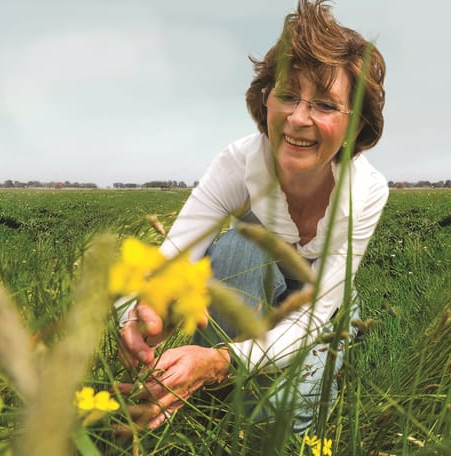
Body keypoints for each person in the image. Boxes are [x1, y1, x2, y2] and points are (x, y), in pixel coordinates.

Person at [117, 0, 387, 434]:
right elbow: (171, 257)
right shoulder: (238, 163)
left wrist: (222, 361)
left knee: (273, 421)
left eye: (323, 105)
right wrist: (138, 313)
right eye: (287, 96)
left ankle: (338, 337)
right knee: (240, 243)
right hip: (247, 284)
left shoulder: (366, 191)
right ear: (266, 101)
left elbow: (314, 312)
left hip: (320, 305)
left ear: (355, 125)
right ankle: (208, 388)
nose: (298, 118)